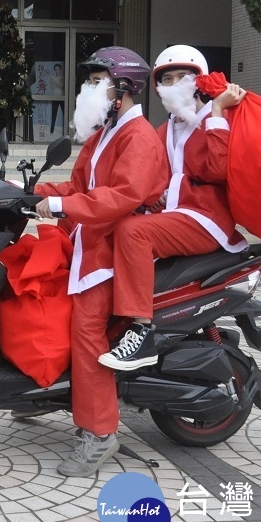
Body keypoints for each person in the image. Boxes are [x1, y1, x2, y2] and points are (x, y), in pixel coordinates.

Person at [27, 46, 169, 477]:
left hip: (110, 254)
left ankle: (100, 433)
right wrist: (27, 191)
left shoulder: (139, 138)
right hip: (90, 245)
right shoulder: (104, 135)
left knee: (88, 333)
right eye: (88, 80)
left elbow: (120, 197)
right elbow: (76, 185)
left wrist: (62, 207)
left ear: (121, 89)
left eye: (95, 81)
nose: (87, 88)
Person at [98, 45, 247, 371]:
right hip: (172, 218)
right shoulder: (164, 131)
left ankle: (142, 331)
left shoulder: (213, 119)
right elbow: (149, 179)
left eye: (184, 76)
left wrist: (219, 110)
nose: (175, 83)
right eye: (167, 78)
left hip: (205, 220)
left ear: (199, 81)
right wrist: (155, 194)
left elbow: (218, 170)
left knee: (131, 233)